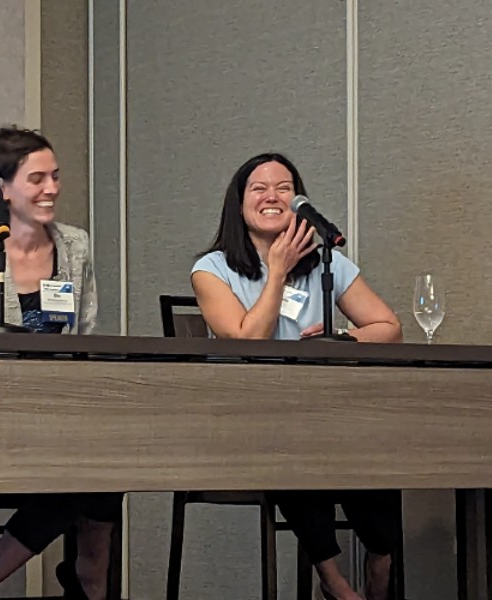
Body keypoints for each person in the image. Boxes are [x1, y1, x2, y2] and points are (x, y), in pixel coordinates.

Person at [190, 152, 403, 600]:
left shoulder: (326, 264)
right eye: (259, 188)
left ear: (298, 200)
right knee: (293, 444)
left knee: (378, 445)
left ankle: (381, 564)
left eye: (283, 188)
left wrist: (343, 337)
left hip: (327, 416)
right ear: (240, 203)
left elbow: (389, 328)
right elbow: (249, 339)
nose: (272, 196)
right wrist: (278, 272)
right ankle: (337, 582)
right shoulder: (212, 270)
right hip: (250, 418)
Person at [0, 126, 122, 600]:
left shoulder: (75, 246)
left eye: (56, 177)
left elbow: (85, 334)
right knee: (83, 469)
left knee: (107, 456)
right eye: (37, 178)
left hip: (66, 413)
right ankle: (83, 580)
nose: (52, 189)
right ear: (1, 190)